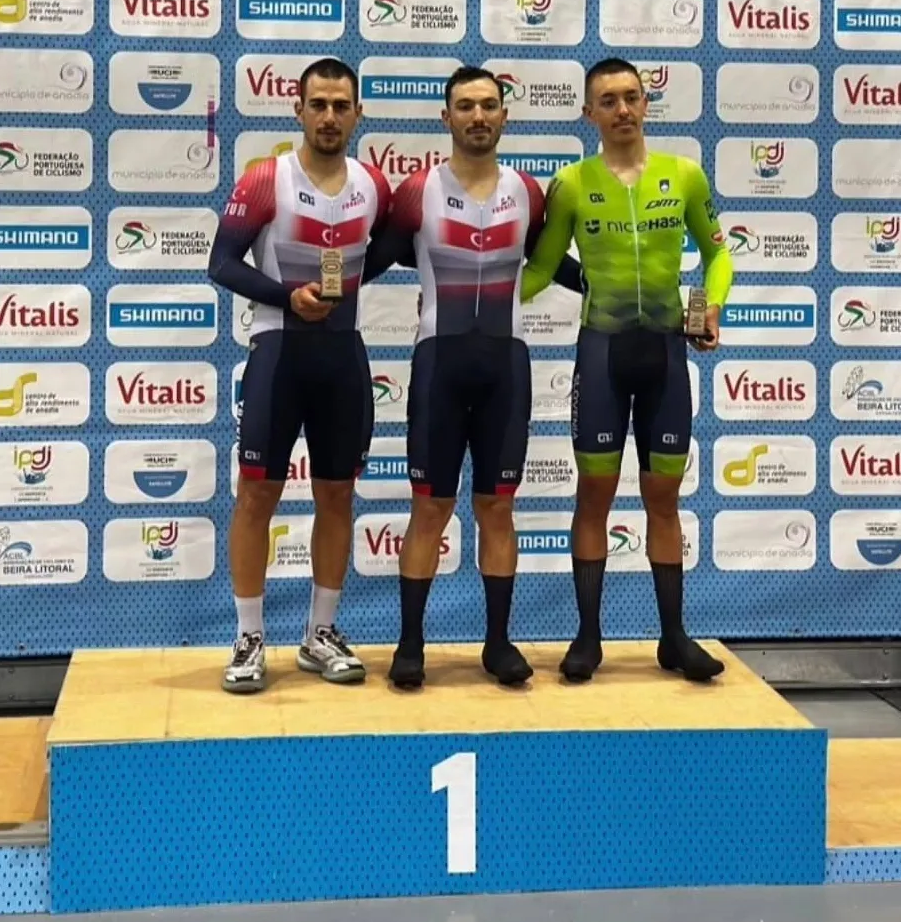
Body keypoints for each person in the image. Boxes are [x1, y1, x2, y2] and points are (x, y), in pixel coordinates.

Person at [361, 66, 585, 689]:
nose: (478, 116)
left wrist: (624, 294)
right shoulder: (417, 191)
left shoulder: (527, 192)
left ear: (504, 117)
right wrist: (311, 291)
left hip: (505, 370)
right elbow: (372, 258)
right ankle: (411, 644)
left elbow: (553, 263)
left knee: (496, 507)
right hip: (439, 366)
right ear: (447, 118)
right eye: (466, 106)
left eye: (489, 105)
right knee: (429, 507)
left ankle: (498, 643)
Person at [520, 57, 734, 684]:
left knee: (663, 500)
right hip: (603, 356)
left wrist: (711, 307)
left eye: (631, 97)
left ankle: (674, 637)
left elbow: (719, 256)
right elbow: (541, 267)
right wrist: (480, 301)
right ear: (589, 113)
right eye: (608, 101)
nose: (622, 110)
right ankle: (588, 638)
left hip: (665, 355)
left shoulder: (684, 175)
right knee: (595, 496)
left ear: (646, 104)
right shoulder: (570, 184)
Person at [205, 58, 393, 694]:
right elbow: (222, 263)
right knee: (257, 495)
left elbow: (392, 247)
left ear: (358, 113)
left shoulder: (373, 185)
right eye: (319, 105)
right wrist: (288, 297)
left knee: (337, 495)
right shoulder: (268, 178)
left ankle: (320, 633)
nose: (329, 117)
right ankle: (249, 637)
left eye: (341, 106)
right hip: (278, 353)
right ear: (299, 110)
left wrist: (348, 285)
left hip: (342, 357)